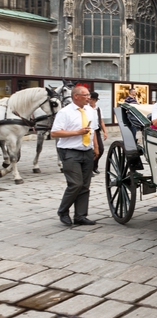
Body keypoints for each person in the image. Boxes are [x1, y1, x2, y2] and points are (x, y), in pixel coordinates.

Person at [50, 83, 99, 226]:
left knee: (85, 185)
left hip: (87, 151)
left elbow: (93, 130)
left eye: (89, 95)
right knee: (75, 184)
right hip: (70, 151)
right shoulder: (65, 112)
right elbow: (54, 133)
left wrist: (96, 147)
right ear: (76, 96)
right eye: (86, 95)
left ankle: (80, 216)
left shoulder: (91, 110)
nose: (89, 98)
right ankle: (63, 211)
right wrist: (77, 132)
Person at [88, 92, 107, 173]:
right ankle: (89, 169)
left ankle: (94, 166)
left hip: (96, 130)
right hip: (88, 131)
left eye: (93, 100)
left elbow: (101, 121)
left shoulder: (98, 109)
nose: (91, 101)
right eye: (90, 99)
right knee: (90, 150)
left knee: (101, 149)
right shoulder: (86, 108)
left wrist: (105, 132)